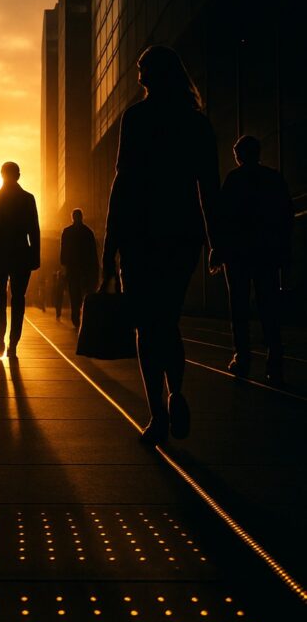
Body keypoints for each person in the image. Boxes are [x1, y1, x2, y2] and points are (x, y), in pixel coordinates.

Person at [102, 45, 219, 445]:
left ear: (154, 74)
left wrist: (109, 243)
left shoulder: (135, 119)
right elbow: (209, 187)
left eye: (142, 69)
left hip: (139, 234)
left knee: (145, 326)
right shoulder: (196, 124)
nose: (138, 75)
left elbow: (122, 182)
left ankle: (156, 414)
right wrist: (214, 238)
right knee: (166, 320)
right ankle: (177, 393)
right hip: (182, 233)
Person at [211, 135, 293, 385]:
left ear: (239, 155)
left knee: (239, 306)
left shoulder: (234, 180)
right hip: (267, 253)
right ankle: (275, 360)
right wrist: (283, 251)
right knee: (269, 305)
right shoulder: (273, 179)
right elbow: (285, 216)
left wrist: (218, 249)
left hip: (238, 256)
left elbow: (222, 217)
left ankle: (242, 357)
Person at [0, 161, 40, 358]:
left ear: (2, 175)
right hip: (21, 255)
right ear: (18, 175)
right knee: (18, 300)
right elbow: (34, 230)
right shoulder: (28, 198)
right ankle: (13, 344)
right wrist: (35, 256)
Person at [60, 208, 99, 328]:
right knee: (86, 294)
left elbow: (63, 251)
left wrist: (64, 264)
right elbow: (93, 252)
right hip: (86, 269)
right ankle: (84, 317)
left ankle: (75, 316)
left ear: (73, 217)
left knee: (74, 294)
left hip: (73, 269)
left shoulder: (67, 232)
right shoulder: (88, 232)